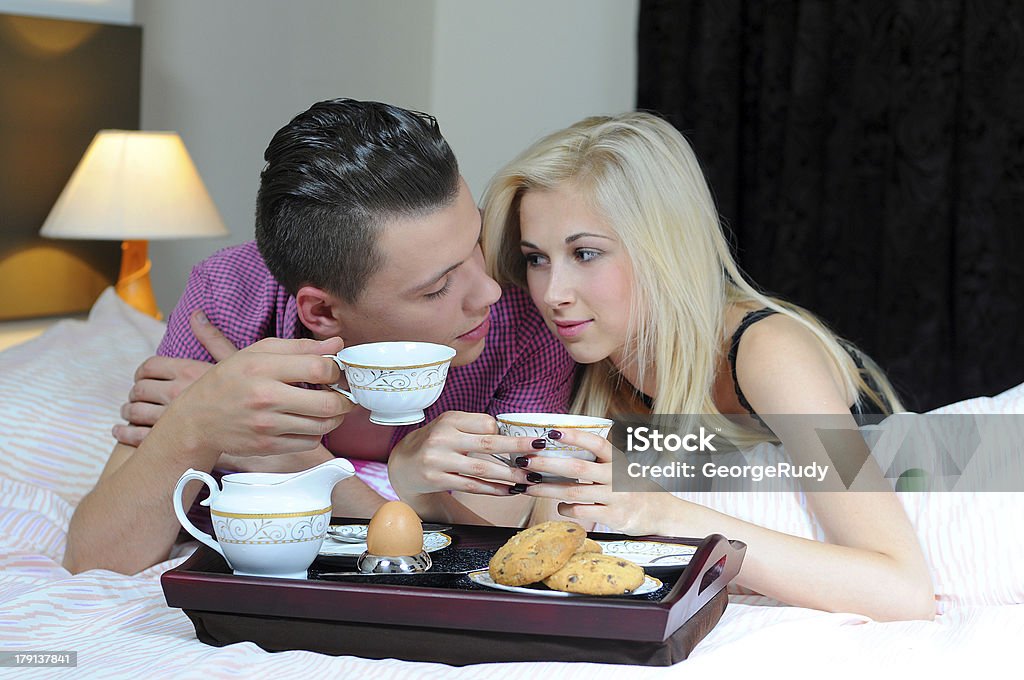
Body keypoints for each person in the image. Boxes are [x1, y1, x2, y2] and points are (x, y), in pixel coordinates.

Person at [64, 99, 575, 575]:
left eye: (476, 241)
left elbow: (486, 557)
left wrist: (289, 458)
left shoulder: (523, 314)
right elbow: (96, 561)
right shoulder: (226, 299)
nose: (486, 290)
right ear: (322, 311)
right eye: (438, 287)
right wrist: (196, 423)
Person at [479, 111, 935, 621]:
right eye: (536, 258)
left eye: (585, 253)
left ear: (663, 248)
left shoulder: (767, 354)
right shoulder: (583, 354)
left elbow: (903, 589)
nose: (552, 293)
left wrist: (657, 510)